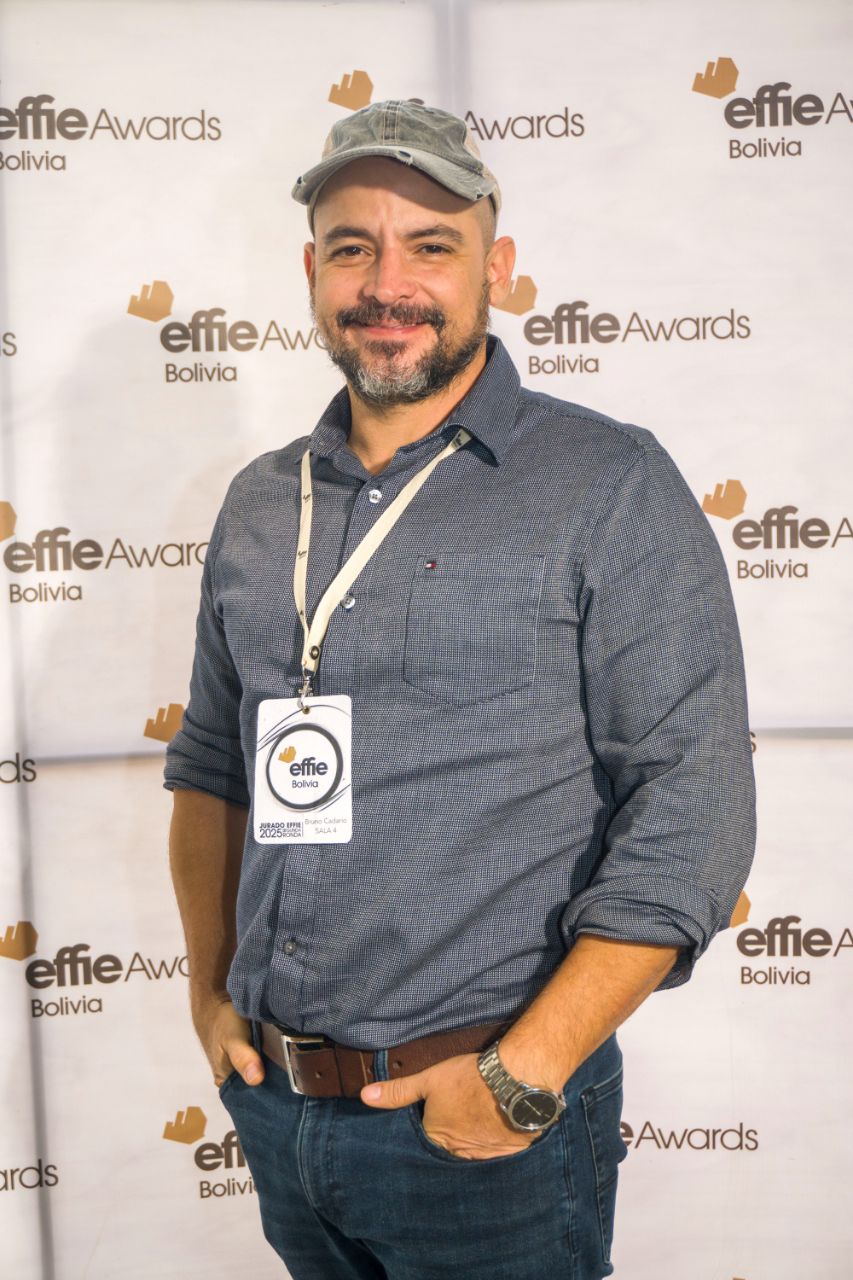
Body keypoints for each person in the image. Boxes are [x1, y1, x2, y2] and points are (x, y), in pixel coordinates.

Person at [165, 100, 755, 1280]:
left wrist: (522, 1073)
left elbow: (693, 806)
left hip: (485, 1125)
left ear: (497, 267)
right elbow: (214, 766)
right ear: (312, 273)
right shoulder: (260, 502)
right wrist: (209, 994)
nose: (388, 284)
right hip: (279, 1111)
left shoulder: (606, 481)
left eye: (430, 245)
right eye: (353, 247)